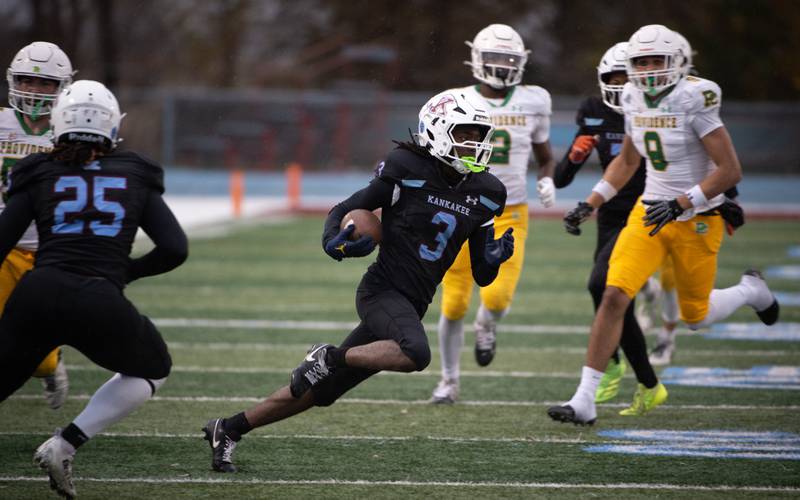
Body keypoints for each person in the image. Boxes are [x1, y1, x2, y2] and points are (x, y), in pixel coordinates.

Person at [202, 90, 514, 473]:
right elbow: (347, 208)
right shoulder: (407, 168)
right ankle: (327, 355)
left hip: (413, 302)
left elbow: (483, 275)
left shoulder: (488, 192)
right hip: (381, 292)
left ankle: (228, 429)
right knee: (415, 353)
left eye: (480, 135)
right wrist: (332, 240)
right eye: (466, 132)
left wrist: (495, 257)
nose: (475, 143)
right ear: (437, 130)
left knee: (323, 391)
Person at [548, 24, 778, 426]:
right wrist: (592, 202)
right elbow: (628, 162)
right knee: (613, 295)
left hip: (697, 217)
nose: (650, 69)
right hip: (649, 211)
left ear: (679, 62)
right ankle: (584, 399)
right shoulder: (634, 95)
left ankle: (749, 290)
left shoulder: (695, 98)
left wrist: (683, 202)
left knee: (696, 316)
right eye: (642, 62)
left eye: (658, 60)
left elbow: (729, 170)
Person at [0, 80, 188, 498]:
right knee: (153, 368)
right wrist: (127, 272)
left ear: (58, 122)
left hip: (38, 293)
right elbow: (175, 248)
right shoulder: (135, 172)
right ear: (112, 126)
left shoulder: (38, 171)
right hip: (98, 298)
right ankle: (65, 443)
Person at [431, 23, 555, 404]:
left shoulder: (535, 100)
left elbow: (545, 157)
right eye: (495, 58)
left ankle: (487, 324)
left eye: (509, 59)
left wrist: (548, 179)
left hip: (510, 211)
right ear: (477, 60)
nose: (502, 66)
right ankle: (449, 381)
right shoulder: (454, 99)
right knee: (452, 304)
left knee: (497, 299)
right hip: (462, 207)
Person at [553, 41, 665, 413]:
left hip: (649, 209)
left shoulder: (655, 106)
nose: (620, 85)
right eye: (613, 78)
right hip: (610, 212)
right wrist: (574, 157)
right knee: (613, 297)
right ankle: (647, 383)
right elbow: (562, 177)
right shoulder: (593, 109)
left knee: (602, 286)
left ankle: (611, 364)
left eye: (626, 77)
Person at [0, 41, 74, 409]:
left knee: (39, 358)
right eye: (28, 80)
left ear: (62, 87)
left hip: (49, 251)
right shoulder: (0, 124)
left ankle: (52, 364)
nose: (34, 90)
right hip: (3, 247)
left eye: (45, 83)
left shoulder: (70, 129)